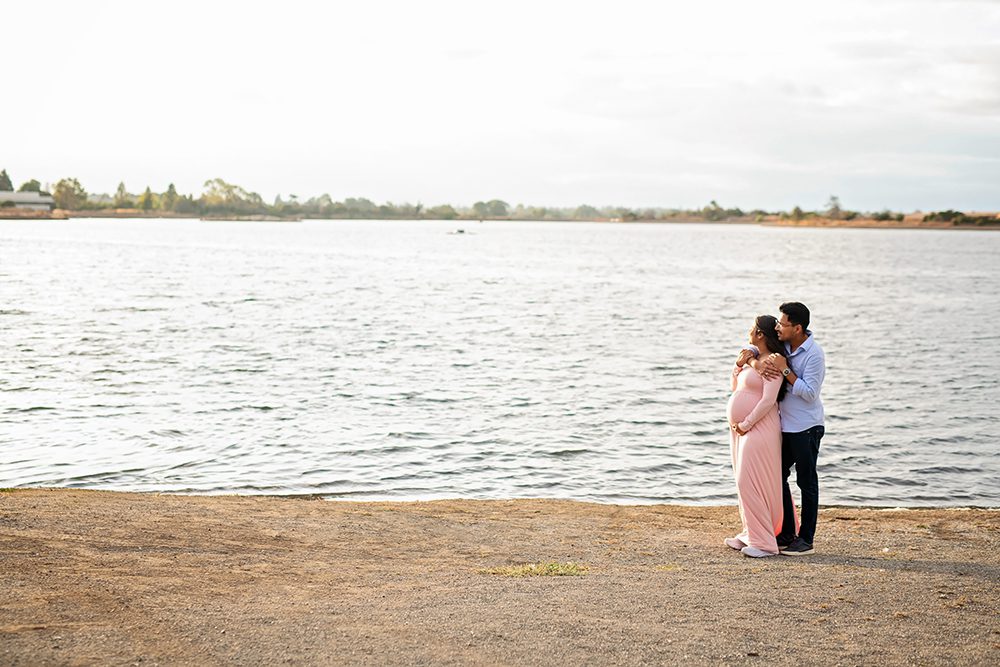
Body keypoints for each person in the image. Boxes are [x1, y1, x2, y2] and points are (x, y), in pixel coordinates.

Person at [751, 302, 826, 556]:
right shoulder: (783, 343)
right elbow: (758, 345)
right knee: (777, 475)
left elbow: (809, 394)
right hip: (785, 426)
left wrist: (785, 369)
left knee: (807, 483)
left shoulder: (814, 354)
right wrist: (749, 357)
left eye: (782, 324)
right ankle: (786, 532)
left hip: (807, 427)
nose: (777, 327)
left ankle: (806, 540)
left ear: (797, 327)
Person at [725, 315, 788, 558]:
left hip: (759, 427)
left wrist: (746, 423)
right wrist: (741, 364)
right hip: (741, 428)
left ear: (760, 334)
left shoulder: (772, 362)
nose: (749, 331)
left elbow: (768, 401)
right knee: (743, 481)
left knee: (749, 480)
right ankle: (749, 534)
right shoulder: (754, 359)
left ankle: (765, 544)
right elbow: (735, 387)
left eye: (752, 328)